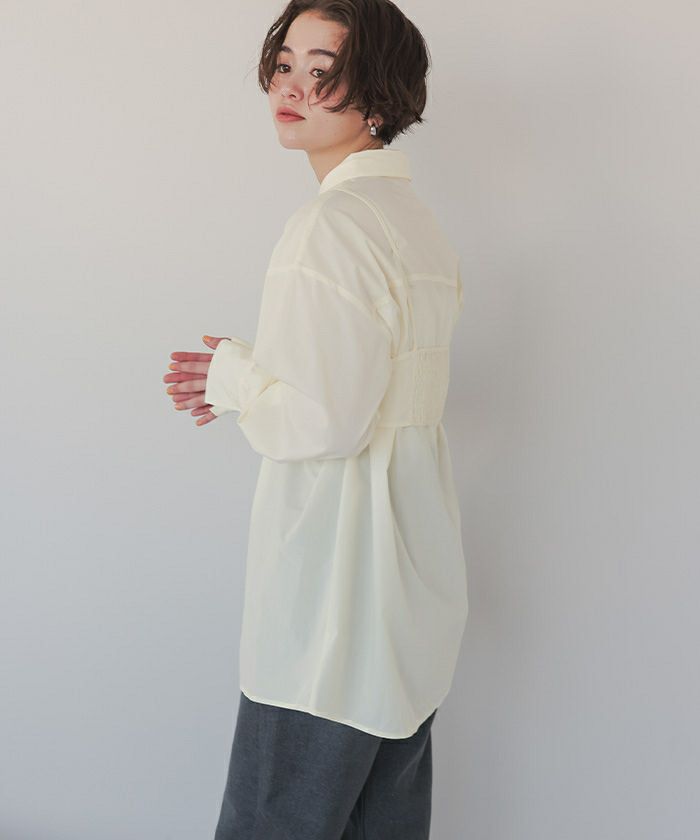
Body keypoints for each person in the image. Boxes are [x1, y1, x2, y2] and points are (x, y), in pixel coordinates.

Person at [163, 1, 468, 837]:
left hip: (330, 609)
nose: (291, 87)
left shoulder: (330, 227)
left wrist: (234, 378)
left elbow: (324, 424)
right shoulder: (416, 226)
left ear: (378, 97)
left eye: (322, 72)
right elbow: (371, 395)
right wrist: (250, 373)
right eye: (284, 64)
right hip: (411, 598)